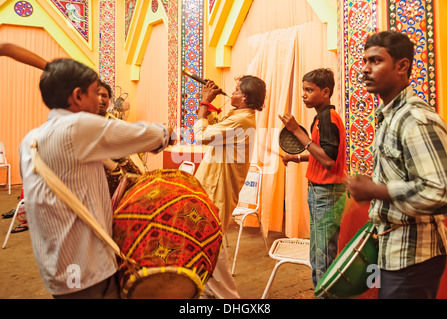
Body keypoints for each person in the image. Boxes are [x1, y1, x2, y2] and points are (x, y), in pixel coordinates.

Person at [19, 58, 174, 298]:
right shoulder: (79, 127)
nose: (100, 101)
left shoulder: (30, 141)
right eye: (95, 93)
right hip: (87, 269)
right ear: (77, 96)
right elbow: (149, 135)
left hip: (55, 267)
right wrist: (169, 133)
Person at [346, 31, 447, 299]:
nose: (365, 69)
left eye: (376, 61)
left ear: (402, 66)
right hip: (394, 250)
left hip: (415, 256)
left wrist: (376, 191)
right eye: (365, 61)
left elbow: (441, 192)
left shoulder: (415, 119)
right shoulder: (390, 116)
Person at [194, 75, 266, 299]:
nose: (232, 93)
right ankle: (208, 293)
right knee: (205, 241)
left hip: (217, 189)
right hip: (212, 184)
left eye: (236, 90)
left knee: (210, 242)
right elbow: (215, 128)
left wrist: (205, 103)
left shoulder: (242, 121)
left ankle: (228, 298)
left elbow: (202, 136)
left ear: (244, 97)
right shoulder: (239, 117)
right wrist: (209, 103)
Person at [279, 68, 347, 289]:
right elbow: (323, 153)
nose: (304, 95)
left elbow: (328, 161)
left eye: (309, 90)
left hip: (326, 194)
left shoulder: (328, 118)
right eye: (303, 90)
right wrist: (296, 157)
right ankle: (323, 291)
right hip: (320, 192)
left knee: (323, 257)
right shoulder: (323, 117)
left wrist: (297, 132)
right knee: (318, 253)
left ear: (325, 92)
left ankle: (326, 293)